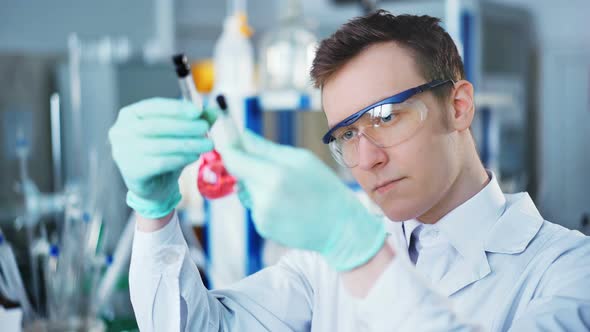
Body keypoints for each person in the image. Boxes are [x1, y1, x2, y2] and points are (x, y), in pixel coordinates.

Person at [108, 10, 590, 331]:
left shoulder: (569, 272)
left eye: (385, 117)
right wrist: (154, 211)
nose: (366, 159)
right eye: (346, 134)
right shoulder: (322, 267)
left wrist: (358, 254)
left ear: (459, 106)